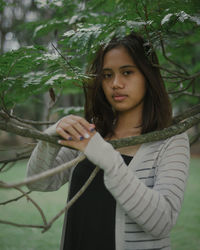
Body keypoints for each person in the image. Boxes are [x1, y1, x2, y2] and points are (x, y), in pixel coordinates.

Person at [27, 32, 190, 250]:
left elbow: (162, 222)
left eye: (127, 72)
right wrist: (50, 137)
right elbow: (38, 182)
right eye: (106, 75)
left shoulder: (171, 140)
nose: (115, 83)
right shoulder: (92, 130)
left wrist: (108, 160)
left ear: (148, 75)